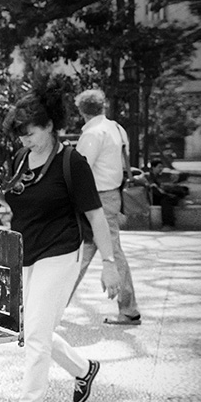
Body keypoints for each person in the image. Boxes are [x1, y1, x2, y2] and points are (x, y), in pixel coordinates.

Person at [0, 83, 122, 402]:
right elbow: (19, 203)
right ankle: (84, 369)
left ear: (49, 126)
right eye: (20, 136)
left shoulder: (71, 163)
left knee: (34, 334)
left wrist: (109, 263)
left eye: (29, 134)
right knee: (34, 331)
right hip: (25, 253)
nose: (24, 141)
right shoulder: (20, 160)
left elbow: (96, 217)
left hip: (60, 253)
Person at [70, 89, 141, 325]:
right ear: (103, 106)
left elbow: (80, 170)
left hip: (95, 199)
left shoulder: (92, 133)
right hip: (111, 195)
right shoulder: (116, 129)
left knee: (98, 254)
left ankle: (129, 309)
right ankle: (55, 304)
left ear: (81, 111)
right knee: (84, 253)